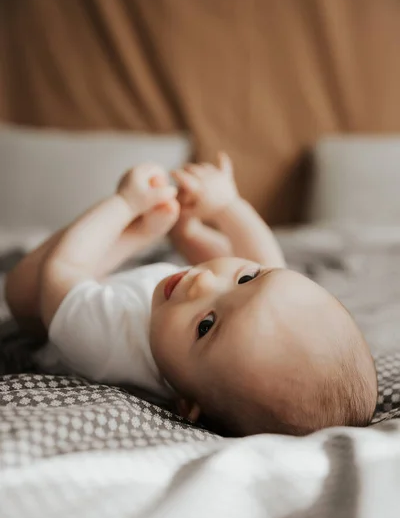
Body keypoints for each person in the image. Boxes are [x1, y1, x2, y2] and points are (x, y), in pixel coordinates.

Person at [5, 153, 378, 436]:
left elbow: (64, 271)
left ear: (187, 405)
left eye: (206, 326)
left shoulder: (107, 344)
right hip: (136, 291)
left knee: (21, 289)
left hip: (52, 311)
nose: (203, 284)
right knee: (235, 269)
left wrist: (125, 206)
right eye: (247, 280)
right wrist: (226, 205)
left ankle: (138, 236)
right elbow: (266, 259)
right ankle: (185, 233)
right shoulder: (212, 324)